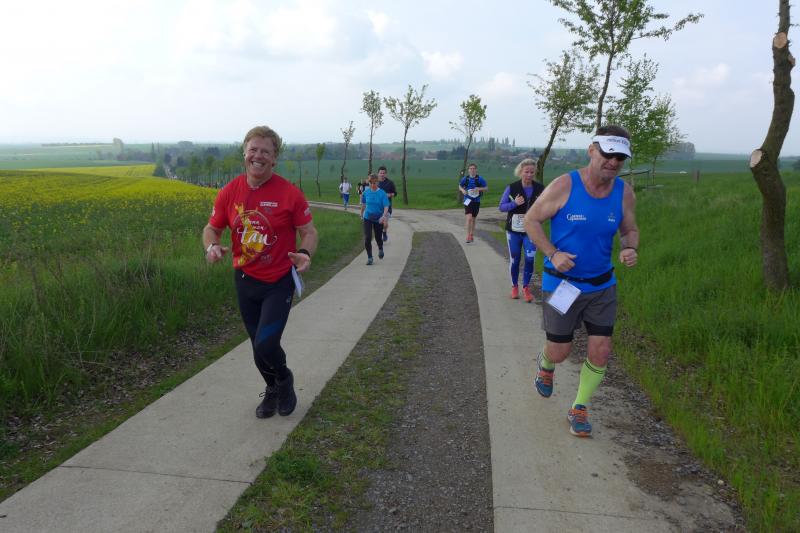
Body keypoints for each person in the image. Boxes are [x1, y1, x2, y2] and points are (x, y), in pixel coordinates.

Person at [524, 125, 639, 438]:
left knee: (601, 350)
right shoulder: (565, 185)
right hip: (563, 284)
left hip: (602, 285)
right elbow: (531, 220)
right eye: (607, 154)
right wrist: (552, 253)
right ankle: (546, 364)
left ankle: (579, 407)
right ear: (592, 150)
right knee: (560, 351)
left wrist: (630, 248)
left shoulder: (624, 192)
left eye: (620, 157)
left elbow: (629, 229)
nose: (613, 162)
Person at [203, 125, 318, 420]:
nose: (258, 156)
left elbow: (308, 231)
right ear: (244, 153)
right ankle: (272, 388)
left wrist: (305, 254)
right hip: (245, 281)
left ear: (274, 158)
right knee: (257, 346)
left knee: (267, 343)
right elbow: (212, 228)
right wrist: (211, 246)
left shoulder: (289, 194)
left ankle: (285, 379)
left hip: (278, 282)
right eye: (253, 149)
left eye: (266, 151)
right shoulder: (229, 192)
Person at [498, 158, 545, 302]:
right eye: (526, 172)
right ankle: (514, 287)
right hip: (513, 231)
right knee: (515, 258)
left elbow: (546, 207)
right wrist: (514, 203)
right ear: (520, 172)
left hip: (531, 231)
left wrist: (539, 218)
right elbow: (501, 207)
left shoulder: (540, 189)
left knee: (530, 258)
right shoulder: (512, 187)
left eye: (532, 172)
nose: (529, 175)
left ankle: (526, 288)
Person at [360, 174, 390, 265]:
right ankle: (370, 258)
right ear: (368, 182)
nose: (373, 185)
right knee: (367, 237)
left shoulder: (382, 193)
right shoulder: (366, 193)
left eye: (374, 183)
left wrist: (384, 216)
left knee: (378, 237)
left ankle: (380, 248)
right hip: (367, 218)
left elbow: (386, 206)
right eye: (371, 183)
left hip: (378, 218)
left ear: (377, 182)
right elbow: (363, 205)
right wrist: (361, 214)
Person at [458, 163, 488, 243]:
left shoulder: (480, 179)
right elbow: (460, 186)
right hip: (467, 200)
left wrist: (479, 188)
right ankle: (468, 236)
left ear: (476, 170)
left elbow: (486, 188)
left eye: (474, 168)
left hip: (476, 201)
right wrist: (463, 190)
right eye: (470, 168)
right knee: (469, 218)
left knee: (473, 219)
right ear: (468, 170)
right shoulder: (465, 179)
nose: (472, 170)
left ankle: (471, 234)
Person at [376, 166, 396, 242]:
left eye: (383, 173)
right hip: (377, 207)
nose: (382, 174)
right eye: (381, 173)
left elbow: (395, 193)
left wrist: (389, 195)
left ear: (386, 174)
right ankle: (379, 236)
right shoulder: (375, 183)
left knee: (385, 223)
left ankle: (384, 232)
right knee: (378, 224)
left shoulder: (390, 183)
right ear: (378, 173)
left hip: (387, 207)